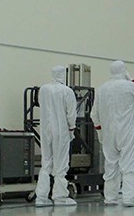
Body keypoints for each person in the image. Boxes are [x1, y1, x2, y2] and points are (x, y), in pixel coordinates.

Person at [91, 61, 134, 207]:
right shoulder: (129, 86)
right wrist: (131, 78)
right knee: (128, 165)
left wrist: (100, 131)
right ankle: (129, 197)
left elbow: (94, 114)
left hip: (108, 134)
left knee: (111, 165)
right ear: (124, 71)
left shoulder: (102, 88)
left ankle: (110, 198)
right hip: (127, 132)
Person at [35, 66, 78, 207]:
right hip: (61, 131)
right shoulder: (67, 91)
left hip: (46, 130)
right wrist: (72, 129)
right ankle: (60, 196)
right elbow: (71, 114)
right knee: (60, 163)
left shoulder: (44, 89)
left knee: (46, 162)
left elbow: (42, 106)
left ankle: (41, 197)